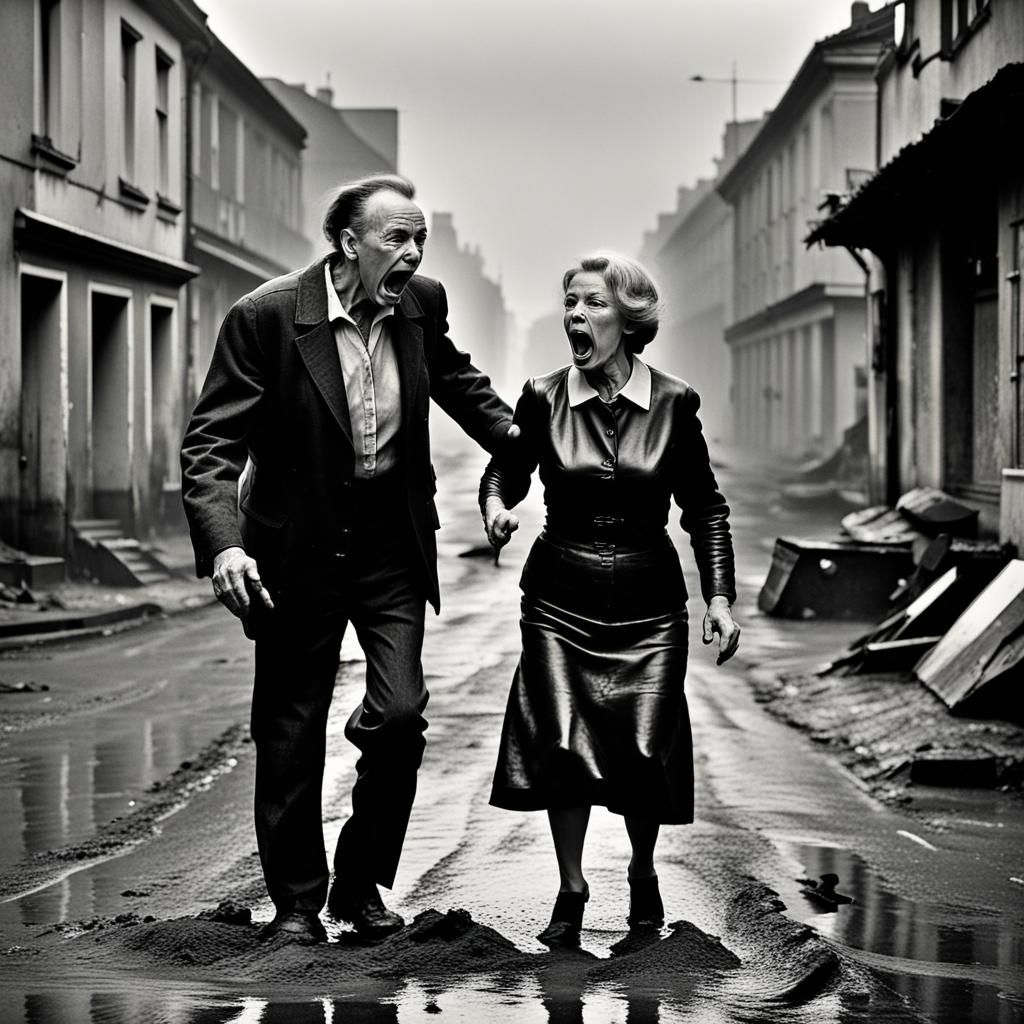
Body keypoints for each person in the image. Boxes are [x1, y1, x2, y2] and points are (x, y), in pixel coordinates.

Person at [181, 173, 516, 944]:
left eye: (421, 239)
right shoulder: (266, 317)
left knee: (398, 715)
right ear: (347, 242)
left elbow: (462, 385)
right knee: (291, 727)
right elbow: (210, 445)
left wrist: (535, 441)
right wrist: (225, 544)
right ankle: (298, 905)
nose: (414, 253)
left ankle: (359, 885)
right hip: (294, 549)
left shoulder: (420, 303)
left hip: (392, 544)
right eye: (397, 238)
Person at [480, 252, 739, 947]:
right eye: (570, 302)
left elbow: (705, 509)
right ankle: (571, 889)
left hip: (651, 609)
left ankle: (642, 872)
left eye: (593, 303)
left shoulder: (676, 402)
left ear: (628, 319)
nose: (576, 315)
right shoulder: (542, 396)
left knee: (644, 749)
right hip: (557, 601)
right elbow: (504, 473)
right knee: (563, 744)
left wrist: (719, 598)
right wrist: (497, 508)